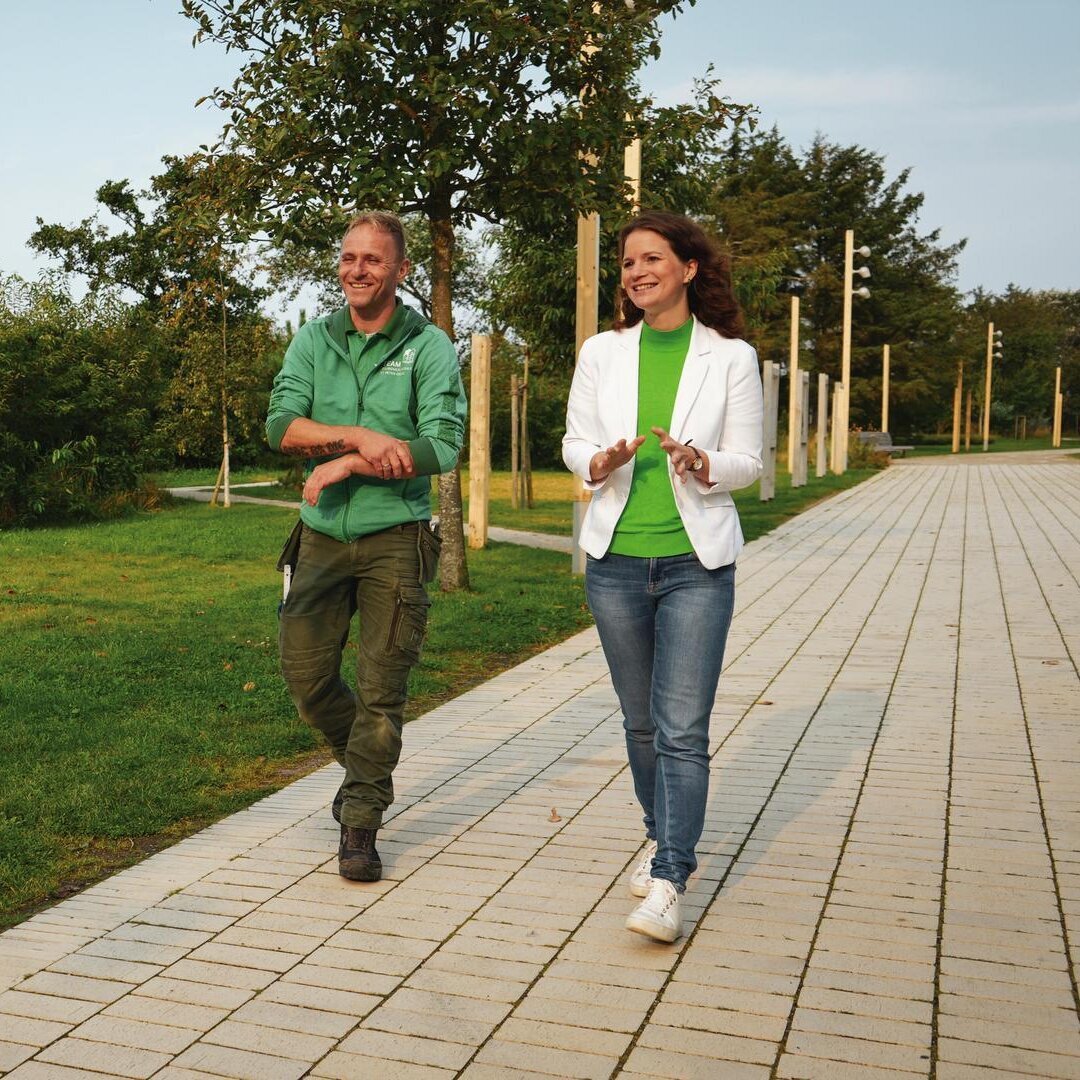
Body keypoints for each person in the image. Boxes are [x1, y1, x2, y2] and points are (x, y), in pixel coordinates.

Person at [562, 210, 763, 942]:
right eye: (627, 263)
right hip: (615, 562)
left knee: (682, 728)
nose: (636, 272)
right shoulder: (602, 352)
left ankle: (671, 875)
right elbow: (574, 439)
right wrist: (597, 462)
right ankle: (662, 838)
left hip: (695, 564)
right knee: (641, 724)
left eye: (651, 258)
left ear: (689, 267)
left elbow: (750, 460)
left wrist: (706, 465)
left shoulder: (730, 357)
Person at [266, 211, 466, 882]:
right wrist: (355, 437)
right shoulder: (314, 341)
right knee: (307, 680)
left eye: (373, 259)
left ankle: (360, 823)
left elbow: (442, 444)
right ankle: (365, 773)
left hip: (397, 538)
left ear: (400, 270)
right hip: (320, 534)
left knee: (382, 690)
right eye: (349, 257)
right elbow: (281, 427)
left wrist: (351, 464)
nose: (357, 269)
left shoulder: (428, 345)